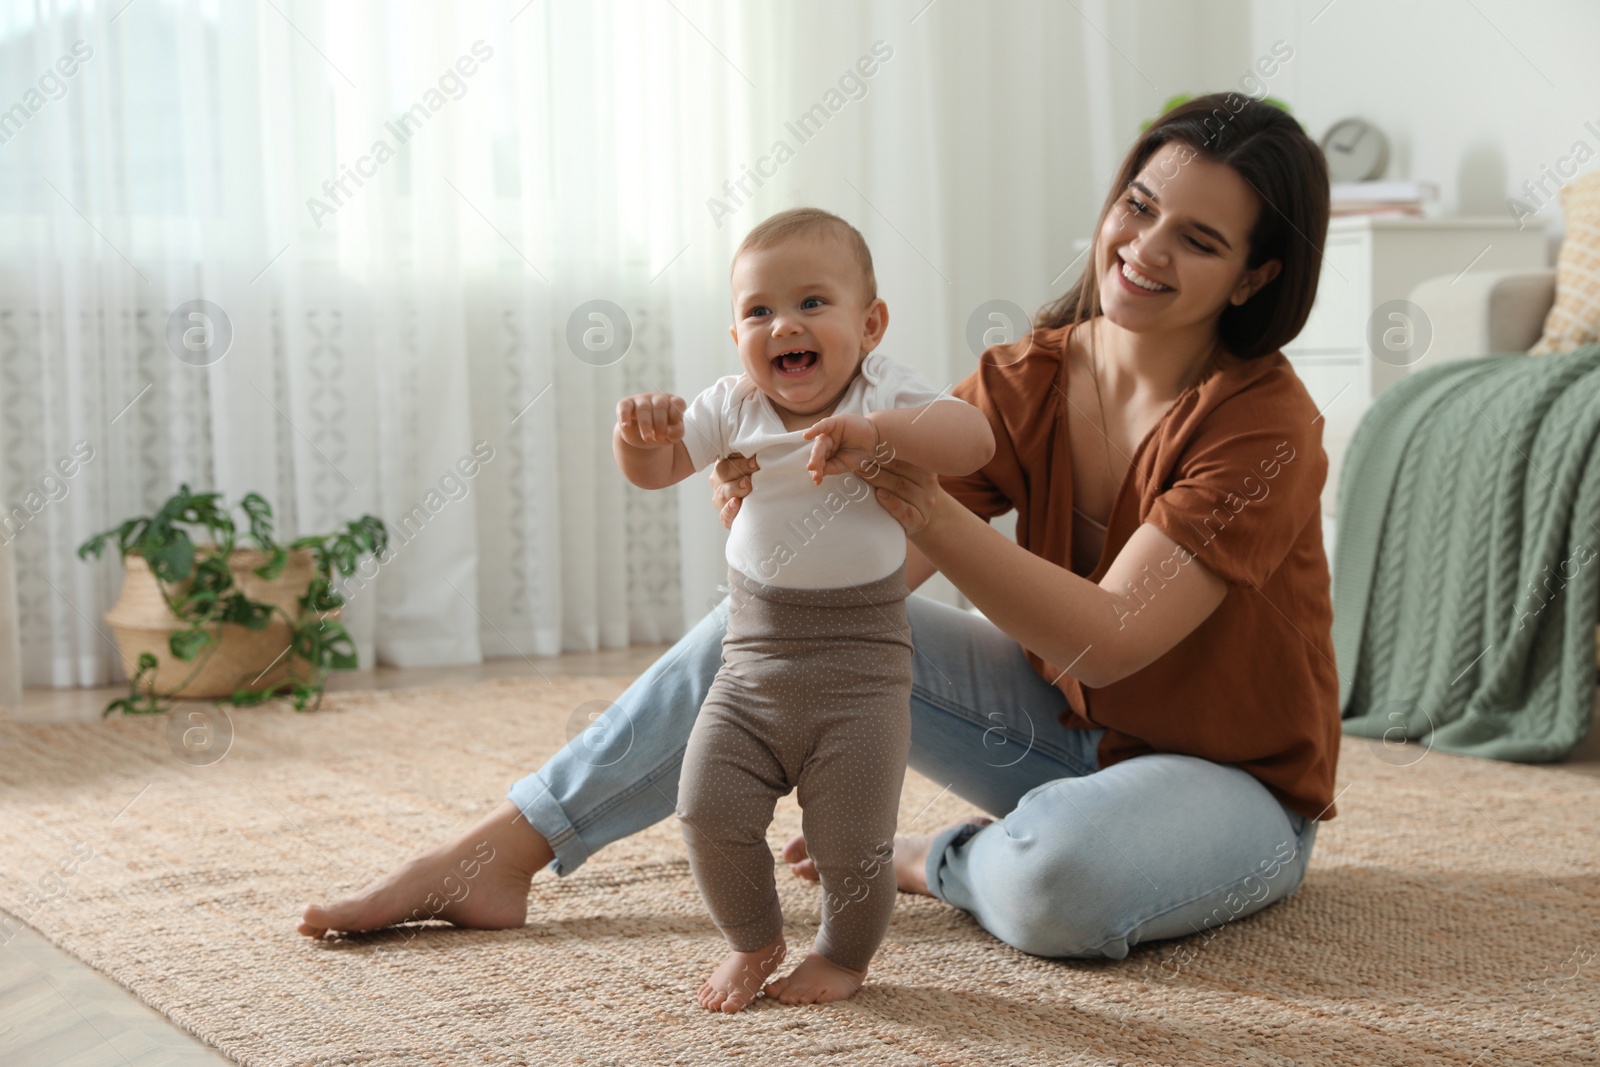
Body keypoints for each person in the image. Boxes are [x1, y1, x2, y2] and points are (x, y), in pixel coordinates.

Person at [300, 91, 1341, 1007]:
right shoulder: (1029, 376)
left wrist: (920, 506)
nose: (1145, 249)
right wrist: (780, 525)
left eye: (1199, 241)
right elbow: (875, 576)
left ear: (1255, 277)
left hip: (1229, 782)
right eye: (1139, 206)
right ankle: (498, 851)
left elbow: (1111, 641)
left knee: (1059, 885)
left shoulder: (1264, 425)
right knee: (767, 628)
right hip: (1050, 732)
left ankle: (940, 857)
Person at [612, 207, 994, 1011]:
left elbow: (974, 443)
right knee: (706, 809)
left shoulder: (883, 388)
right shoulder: (731, 405)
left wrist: (880, 431)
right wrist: (639, 436)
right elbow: (656, 471)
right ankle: (754, 938)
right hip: (752, 659)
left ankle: (842, 955)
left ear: (870, 323)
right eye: (759, 311)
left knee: (851, 845)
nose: (784, 323)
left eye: (813, 302)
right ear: (737, 335)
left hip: (861, 667)